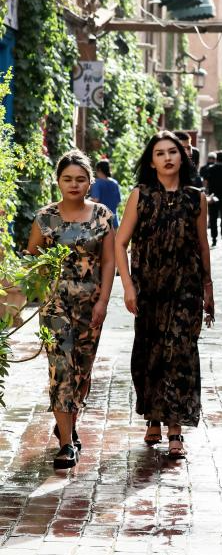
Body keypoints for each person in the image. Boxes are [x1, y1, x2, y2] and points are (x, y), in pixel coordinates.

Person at [115, 131, 214, 460]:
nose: (168, 157)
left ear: (182, 157)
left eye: (173, 152)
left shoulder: (194, 197)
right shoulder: (140, 195)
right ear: (151, 160)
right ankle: (153, 417)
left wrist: (208, 289)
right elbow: (119, 243)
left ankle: (175, 427)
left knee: (180, 353)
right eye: (160, 153)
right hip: (149, 290)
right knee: (150, 352)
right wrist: (128, 286)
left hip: (185, 289)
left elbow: (202, 246)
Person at [27, 150, 115, 470]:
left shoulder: (102, 215)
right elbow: (33, 257)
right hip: (55, 303)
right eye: (67, 179)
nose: (74, 184)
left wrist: (103, 301)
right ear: (58, 182)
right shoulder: (45, 217)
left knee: (81, 372)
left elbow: (109, 261)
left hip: (91, 304)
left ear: (89, 182)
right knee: (61, 368)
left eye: (80, 179)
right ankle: (66, 445)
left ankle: (67, 423)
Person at [90, 158, 122, 229]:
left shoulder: (97, 183)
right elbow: (118, 202)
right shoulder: (115, 183)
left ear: (99, 170)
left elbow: (95, 200)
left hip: (100, 222)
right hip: (114, 222)